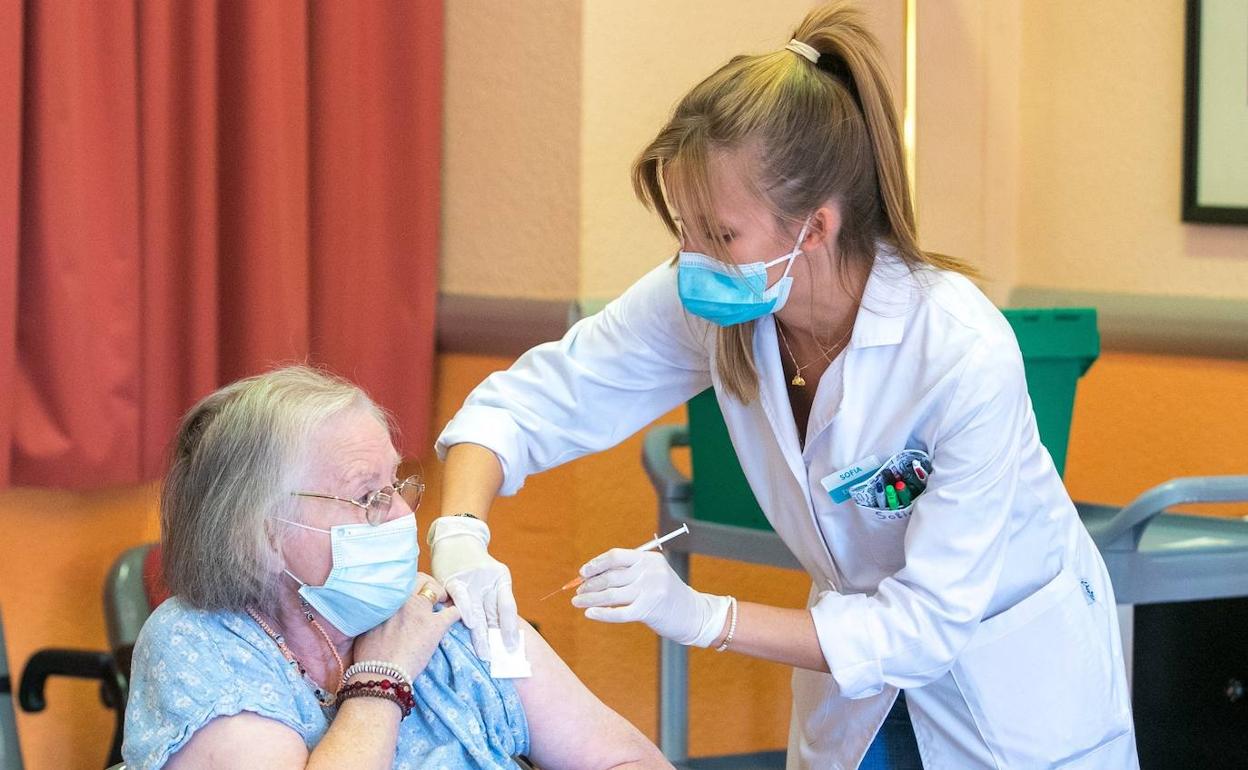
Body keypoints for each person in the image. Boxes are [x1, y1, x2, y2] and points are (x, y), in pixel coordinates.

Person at [428, 2, 1138, 768]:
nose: (693, 258)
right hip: (853, 688)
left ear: (817, 226)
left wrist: (705, 615)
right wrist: (460, 535)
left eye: (721, 234)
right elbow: (529, 403)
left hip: (1011, 694)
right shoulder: (716, 300)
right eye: (685, 228)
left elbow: (923, 628)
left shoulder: (959, 353)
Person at [122, 366, 672, 770]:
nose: (404, 513)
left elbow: (626, 761)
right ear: (261, 534)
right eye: (368, 497)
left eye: (396, 484)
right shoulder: (198, 646)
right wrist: (382, 677)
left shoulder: (439, 620)